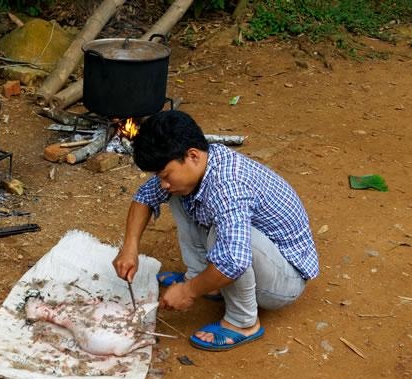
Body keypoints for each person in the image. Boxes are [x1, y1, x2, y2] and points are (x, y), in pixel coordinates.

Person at [113, 110, 319, 351]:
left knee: (225, 241)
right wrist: (130, 247)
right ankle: (205, 280)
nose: (163, 183)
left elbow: (234, 259)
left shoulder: (228, 186)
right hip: (259, 256)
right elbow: (144, 197)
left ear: (192, 155)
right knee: (178, 194)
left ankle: (243, 322)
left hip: (285, 281)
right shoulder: (200, 165)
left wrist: (188, 292)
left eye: (165, 174)